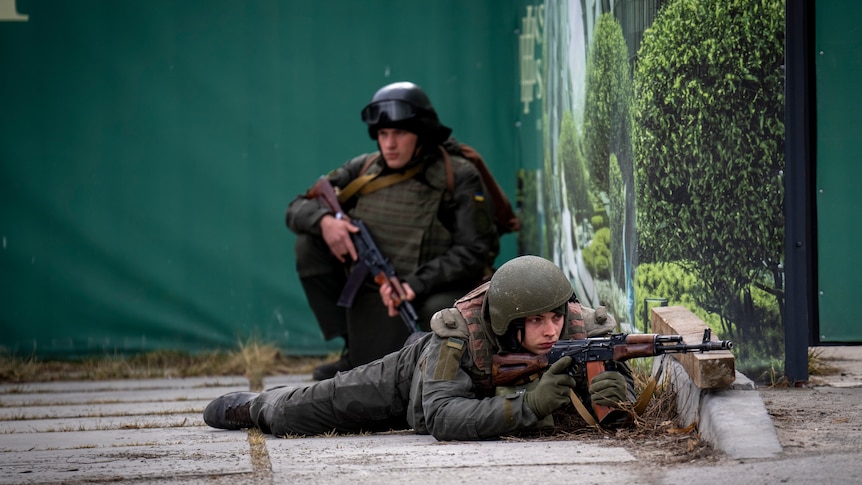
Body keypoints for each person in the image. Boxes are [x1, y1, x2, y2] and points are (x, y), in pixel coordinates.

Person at [203, 255, 635, 440]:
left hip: (468, 397)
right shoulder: (458, 335)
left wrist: (617, 395)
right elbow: (441, 416)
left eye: (555, 317)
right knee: (295, 414)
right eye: (536, 321)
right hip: (410, 380)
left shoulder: (586, 330)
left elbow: (621, 390)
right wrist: (531, 405)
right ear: (507, 322)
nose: (550, 330)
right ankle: (256, 404)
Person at [285, 81, 500, 380]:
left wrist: (416, 283)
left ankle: (444, 368)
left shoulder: (458, 175)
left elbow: (473, 252)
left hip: (431, 287)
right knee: (309, 244)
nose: (390, 144)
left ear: (421, 133)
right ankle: (352, 350)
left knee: (438, 313)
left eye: (399, 133)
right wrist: (325, 222)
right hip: (376, 284)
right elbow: (296, 207)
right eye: (384, 134)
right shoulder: (364, 168)